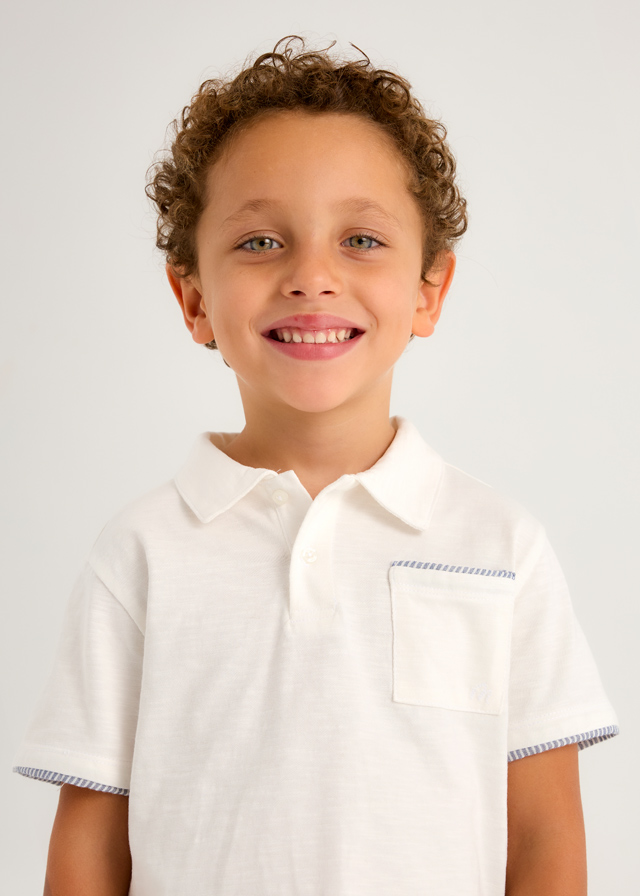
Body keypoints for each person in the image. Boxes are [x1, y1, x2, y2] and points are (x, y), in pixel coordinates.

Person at [13, 35, 618, 896]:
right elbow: (90, 848)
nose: (312, 277)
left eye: (361, 239)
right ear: (194, 299)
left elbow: (546, 837)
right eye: (261, 241)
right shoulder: (141, 553)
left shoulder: (501, 546)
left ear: (428, 292)